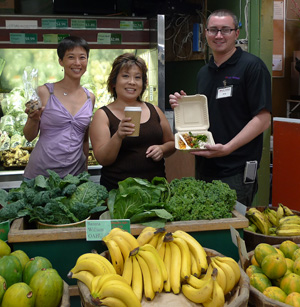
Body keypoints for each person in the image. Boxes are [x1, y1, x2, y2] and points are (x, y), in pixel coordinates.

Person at [169, 9, 272, 207]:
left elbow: (262, 119)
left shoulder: (252, 67)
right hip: (205, 167)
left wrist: (227, 149)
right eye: (213, 30)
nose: (218, 35)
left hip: (236, 170)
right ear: (206, 33)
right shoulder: (203, 73)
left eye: (225, 30)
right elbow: (208, 117)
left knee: (232, 233)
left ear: (236, 33)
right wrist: (183, 106)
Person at [90, 53, 175, 191]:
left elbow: (171, 143)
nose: (132, 82)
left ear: (143, 83)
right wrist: (118, 136)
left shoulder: (155, 110)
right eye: (125, 76)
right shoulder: (103, 115)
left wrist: (162, 149)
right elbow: (103, 159)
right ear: (113, 82)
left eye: (138, 77)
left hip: (155, 191)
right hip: (118, 194)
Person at [23, 35, 95, 179]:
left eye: (82, 57)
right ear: (61, 61)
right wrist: (33, 119)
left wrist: (85, 171)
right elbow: (29, 136)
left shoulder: (90, 97)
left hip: (74, 176)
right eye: (70, 57)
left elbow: (84, 140)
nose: (77, 63)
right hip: (41, 176)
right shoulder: (44, 92)